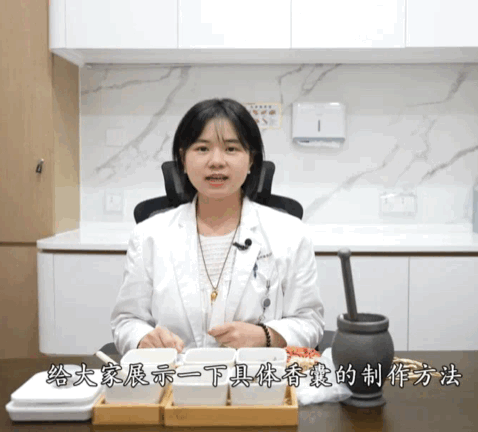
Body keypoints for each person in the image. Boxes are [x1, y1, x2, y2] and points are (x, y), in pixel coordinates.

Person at [111, 98, 324, 354]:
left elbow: (309, 321)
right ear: (183, 159)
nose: (216, 161)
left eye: (231, 149)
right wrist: (143, 338)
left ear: (251, 159)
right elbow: (126, 321)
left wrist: (266, 336)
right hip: (177, 374)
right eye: (202, 148)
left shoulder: (290, 233)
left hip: (255, 374)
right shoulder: (149, 235)